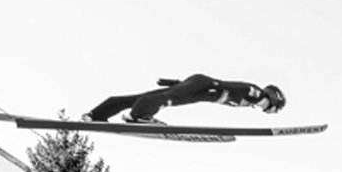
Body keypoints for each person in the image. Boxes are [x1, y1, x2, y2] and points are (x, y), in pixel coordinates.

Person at [83, 74, 286, 124]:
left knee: (143, 97)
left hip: (201, 88)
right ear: (273, 98)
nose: (268, 111)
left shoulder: (252, 99)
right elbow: (232, 85)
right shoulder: (255, 93)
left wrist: (179, 84)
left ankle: (96, 115)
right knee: (167, 99)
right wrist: (213, 86)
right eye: (273, 109)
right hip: (206, 88)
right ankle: (139, 115)